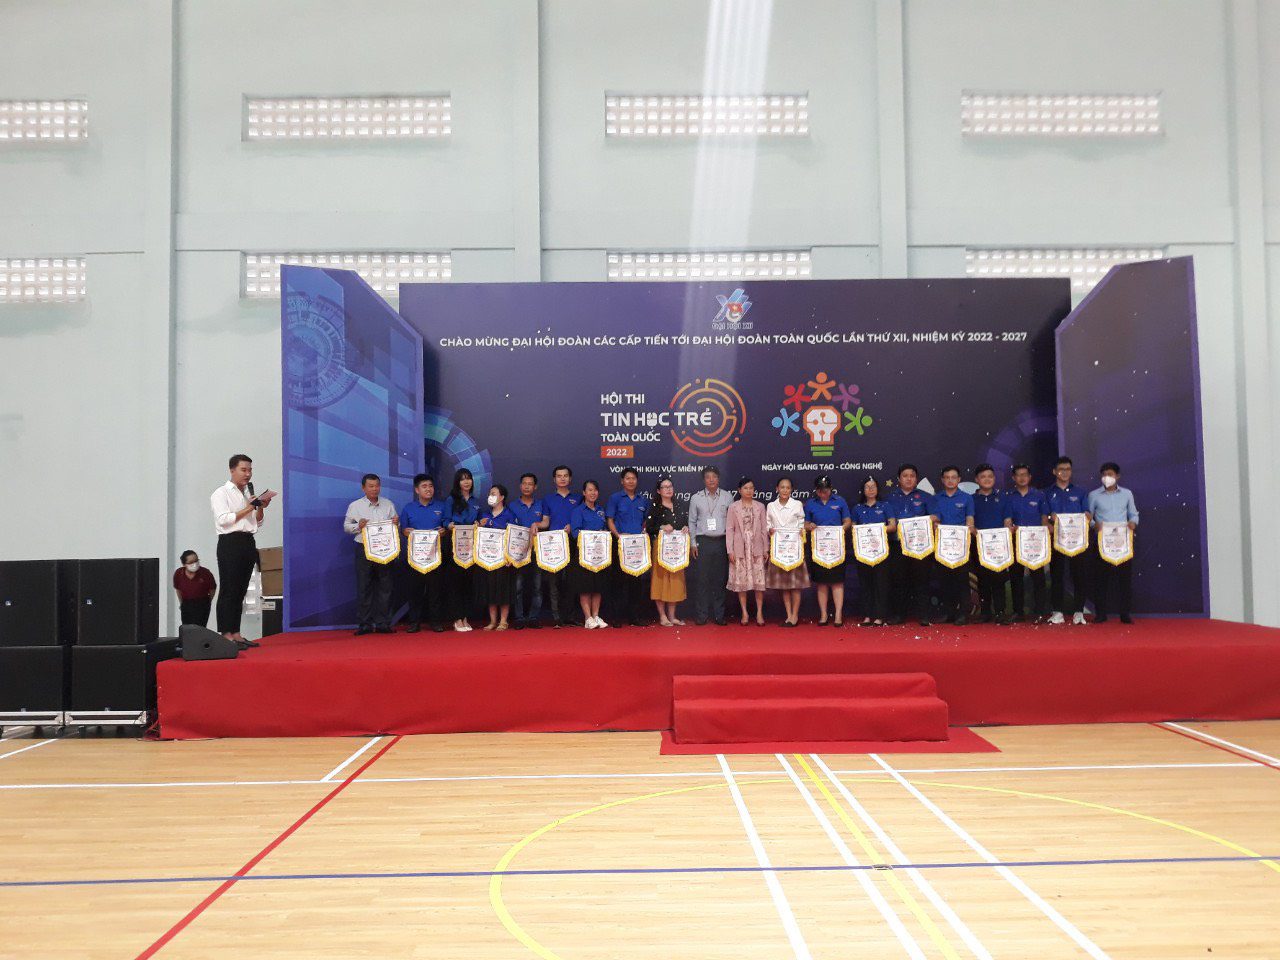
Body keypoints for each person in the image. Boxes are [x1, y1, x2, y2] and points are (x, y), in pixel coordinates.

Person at [211, 453, 273, 647]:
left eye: (250, 470)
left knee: (241, 590)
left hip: (248, 542)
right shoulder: (221, 493)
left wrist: (260, 507)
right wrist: (249, 507)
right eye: (243, 470)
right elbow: (224, 520)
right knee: (229, 589)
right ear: (232, 470)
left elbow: (257, 522)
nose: (248, 474)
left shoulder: (247, 494)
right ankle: (225, 634)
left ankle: (236, 633)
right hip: (230, 542)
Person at [343, 473, 398, 635]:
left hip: (385, 549)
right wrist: (358, 526)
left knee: (385, 587)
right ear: (363, 488)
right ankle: (365, 624)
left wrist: (396, 523)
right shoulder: (355, 506)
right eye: (371, 486)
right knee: (364, 587)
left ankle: (383, 623)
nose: (375, 489)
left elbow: (395, 524)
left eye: (377, 486)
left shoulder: (388, 504)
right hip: (363, 548)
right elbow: (346, 527)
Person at [1087, 462, 1140, 623]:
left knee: (1124, 579)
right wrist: (1094, 525)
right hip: (1102, 542)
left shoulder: (1127, 494)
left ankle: (1125, 614)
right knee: (1100, 579)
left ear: (1117, 476)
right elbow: (1088, 516)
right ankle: (1101, 614)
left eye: (1110, 474)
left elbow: (1133, 514)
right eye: (1104, 475)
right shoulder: (1094, 495)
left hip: (1122, 542)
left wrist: (1133, 523)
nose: (1106, 477)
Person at [1045, 456, 1092, 625]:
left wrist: (1087, 516)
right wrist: (1050, 517)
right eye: (1061, 469)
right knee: (1057, 575)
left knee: (1079, 575)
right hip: (1056, 540)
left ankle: (1079, 612)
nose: (1064, 472)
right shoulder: (1047, 493)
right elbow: (1045, 516)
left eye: (1067, 469)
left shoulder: (1080, 492)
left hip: (1077, 541)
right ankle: (1057, 612)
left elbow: (1088, 514)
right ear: (1054, 472)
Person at [400, 473, 448, 633]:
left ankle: (436, 622)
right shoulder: (408, 508)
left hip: (435, 556)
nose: (428, 489)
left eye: (431, 486)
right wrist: (405, 531)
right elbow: (403, 530)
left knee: (435, 590)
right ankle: (414, 622)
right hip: (415, 557)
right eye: (424, 486)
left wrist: (444, 531)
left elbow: (446, 527)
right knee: (415, 591)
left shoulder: (441, 507)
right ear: (417, 490)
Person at [888, 463, 934, 625]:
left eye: (912, 476)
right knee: (899, 581)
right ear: (899, 479)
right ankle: (899, 615)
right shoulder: (890, 498)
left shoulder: (926, 496)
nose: (909, 479)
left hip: (920, 545)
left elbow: (935, 517)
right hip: (897, 544)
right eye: (905, 476)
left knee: (922, 580)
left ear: (916, 479)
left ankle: (924, 616)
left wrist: (919, 521)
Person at [688, 466, 734, 625]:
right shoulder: (696, 498)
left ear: (718, 478)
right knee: (702, 580)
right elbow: (692, 522)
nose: (711, 479)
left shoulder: (728, 497)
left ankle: (719, 616)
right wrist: (693, 543)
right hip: (703, 542)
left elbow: (732, 524)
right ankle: (702, 615)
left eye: (714, 476)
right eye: (708, 477)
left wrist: (730, 546)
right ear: (704, 480)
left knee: (720, 580)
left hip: (721, 542)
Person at [1004, 463, 1050, 622]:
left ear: (1030, 477)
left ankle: (1040, 612)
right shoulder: (1008, 496)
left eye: (1025, 474)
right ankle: (1018, 611)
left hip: (1035, 542)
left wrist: (1044, 532)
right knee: (1016, 577)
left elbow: (1044, 518)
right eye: (1019, 475)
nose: (1022, 478)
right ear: (1013, 478)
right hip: (1016, 540)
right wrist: (1009, 527)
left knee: (1038, 577)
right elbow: (1007, 519)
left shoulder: (1039, 495)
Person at [605, 467, 651, 627]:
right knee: (618, 582)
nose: (631, 481)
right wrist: (618, 535)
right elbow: (610, 520)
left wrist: (644, 532)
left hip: (637, 547)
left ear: (637, 481)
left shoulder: (642, 500)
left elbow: (646, 521)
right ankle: (616, 617)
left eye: (633, 478)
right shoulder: (615, 498)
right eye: (628, 478)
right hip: (620, 544)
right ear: (622, 481)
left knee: (636, 582)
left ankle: (634, 617)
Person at [804, 475, 852, 626]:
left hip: (836, 547)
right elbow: (805, 524)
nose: (823, 493)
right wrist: (810, 526)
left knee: (837, 582)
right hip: (819, 548)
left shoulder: (840, 501)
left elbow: (847, 521)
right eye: (820, 490)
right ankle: (823, 614)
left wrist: (841, 529)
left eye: (825, 490)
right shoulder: (810, 503)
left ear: (831, 489)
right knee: (822, 583)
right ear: (816, 490)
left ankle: (838, 614)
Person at [931, 465, 975, 625]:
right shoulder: (936, 498)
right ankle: (949, 613)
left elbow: (970, 521)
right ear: (942, 480)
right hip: (942, 546)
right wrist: (936, 526)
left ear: (959, 480)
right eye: (947, 477)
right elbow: (934, 520)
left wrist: (969, 528)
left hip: (961, 546)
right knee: (945, 580)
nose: (950, 480)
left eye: (953, 477)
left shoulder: (967, 498)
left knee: (961, 580)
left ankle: (963, 614)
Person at [541, 465, 583, 627]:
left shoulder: (578, 498)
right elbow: (546, 522)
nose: (562, 478)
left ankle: (570, 616)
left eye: (565, 475)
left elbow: (582, 518)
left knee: (571, 581)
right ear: (554, 479)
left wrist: (573, 525)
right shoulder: (548, 499)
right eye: (559, 476)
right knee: (554, 582)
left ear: (570, 479)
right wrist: (536, 525)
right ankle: (556, 617)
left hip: (572, 541)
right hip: (553, 544)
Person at [765, 474, 810, 627]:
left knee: (795, 584)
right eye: (782, 487)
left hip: (794, 549)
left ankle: (795, 615)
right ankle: (788, 614)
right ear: (777, 489)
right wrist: (769, 530)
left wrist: (801, 531)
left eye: (788, 488)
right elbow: (767, 524)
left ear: (792, 490)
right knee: (784, 585)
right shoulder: (771, 506)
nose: (785, 490)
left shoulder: (797, 504)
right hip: (779, 550)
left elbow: (801, 523)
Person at [645, 476, 688, 626]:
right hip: (661, 548)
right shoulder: (655, 507)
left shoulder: (679, 505)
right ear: (659, 491)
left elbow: (684, 523)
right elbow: (649, 528)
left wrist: (685, 528)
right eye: (665, 487)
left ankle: (672, 615)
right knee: (660, 581)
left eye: (670, 486)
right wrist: (662, 527)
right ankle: (662, 616)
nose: (668, 489)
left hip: (677, 549)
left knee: (675, 581)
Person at [852, 477, 895, 627]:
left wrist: (877, 529)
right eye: (867, 487)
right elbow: (853, 527)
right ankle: (867, 615)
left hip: (881, 551)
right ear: (863, 490)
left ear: (878, 489)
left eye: (873, 486)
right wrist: (863, 530)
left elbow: (893, 526)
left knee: (881, 583)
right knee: (865, 583)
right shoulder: (857, 508)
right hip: (863, 551)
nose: (870, 489)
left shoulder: (885, 506)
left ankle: (880, 616)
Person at [726, 477, 769, 626]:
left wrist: (766, 549)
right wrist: (730, 550)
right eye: (745, 488)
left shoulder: (760, 506)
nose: (749, 491)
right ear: (739, 490)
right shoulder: (733, 507)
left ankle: (759, 612)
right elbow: (730, 530)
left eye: (751, 488)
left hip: (756, 546)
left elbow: (764, 529)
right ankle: (744, 612)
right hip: (740, 547)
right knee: (741, 581)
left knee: (759, 582)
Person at [509, 472, 548, 630]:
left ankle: (533, 617)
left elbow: (546, 522)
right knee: (518, 585)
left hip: (537, 550)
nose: (527, 486)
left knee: (537, 586)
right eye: (524, 483)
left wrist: (536, 524)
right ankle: (519, 617)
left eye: (530, 484)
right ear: (520, 486)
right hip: (518, 550)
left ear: (535, 487)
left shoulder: (541, 504)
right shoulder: (512, 506)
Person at [971, 463, 1009, 624]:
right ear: (977, 480)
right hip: (979, 544)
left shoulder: (1003, 497)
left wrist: (1006, 531)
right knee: (983, 578)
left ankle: (1000, 612)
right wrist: (976, 533)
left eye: (990, 476)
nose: (987, 479)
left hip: (999, 545)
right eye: (983, 477)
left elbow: (1007, 520)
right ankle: (985, 612)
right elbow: (970, 522)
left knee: (999, 578)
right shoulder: (971, 499)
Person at [445, 468, 481, 632]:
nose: (466, 482)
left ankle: (466, 617)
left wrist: (479, 523)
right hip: (455, 545)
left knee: (468, 583)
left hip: (471, 546)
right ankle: (457, 618)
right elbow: (445, 519)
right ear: (457, 482)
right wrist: (449, 525)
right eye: (462, 479)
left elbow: (479, 519)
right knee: (456, 583)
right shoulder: (451, 500)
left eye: (468, 478)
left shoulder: (476, 501)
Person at [476, 484, 516, 630]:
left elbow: (514, 538)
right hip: (487, 558)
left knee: (504, 590)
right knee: (490, 589)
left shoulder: (509, 515)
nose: (490, 496)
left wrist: (510, 556)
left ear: (502, 497)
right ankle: (493, 621)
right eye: (489, 494)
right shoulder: (484, 514)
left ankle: (503, 621)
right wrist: (479, 526)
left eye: (494, 494)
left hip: (503, 559)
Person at [571, 480, 609, 629]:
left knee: (598, 586)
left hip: (600, 554)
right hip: (584, 554)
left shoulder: (601, 510)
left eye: (595, 490)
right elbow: (575, 533)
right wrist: (591, 536)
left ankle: (596, 615)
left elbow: (604, 528)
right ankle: (588, 618)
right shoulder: (578, 511)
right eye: (590, 490)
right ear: (584, 493)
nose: (593, 493)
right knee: (585, 586)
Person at [173, 550, 216, 628]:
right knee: (186, 628)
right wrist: (182, 603)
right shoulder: (178, 573)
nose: (195, 564)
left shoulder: (205, 573)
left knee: (199, 628)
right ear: (184, 564)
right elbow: (178, 589)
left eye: (196, 561)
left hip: (202, 604)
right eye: (191, 562)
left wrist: (208, 602)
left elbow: (212, 589)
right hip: (186, 604)